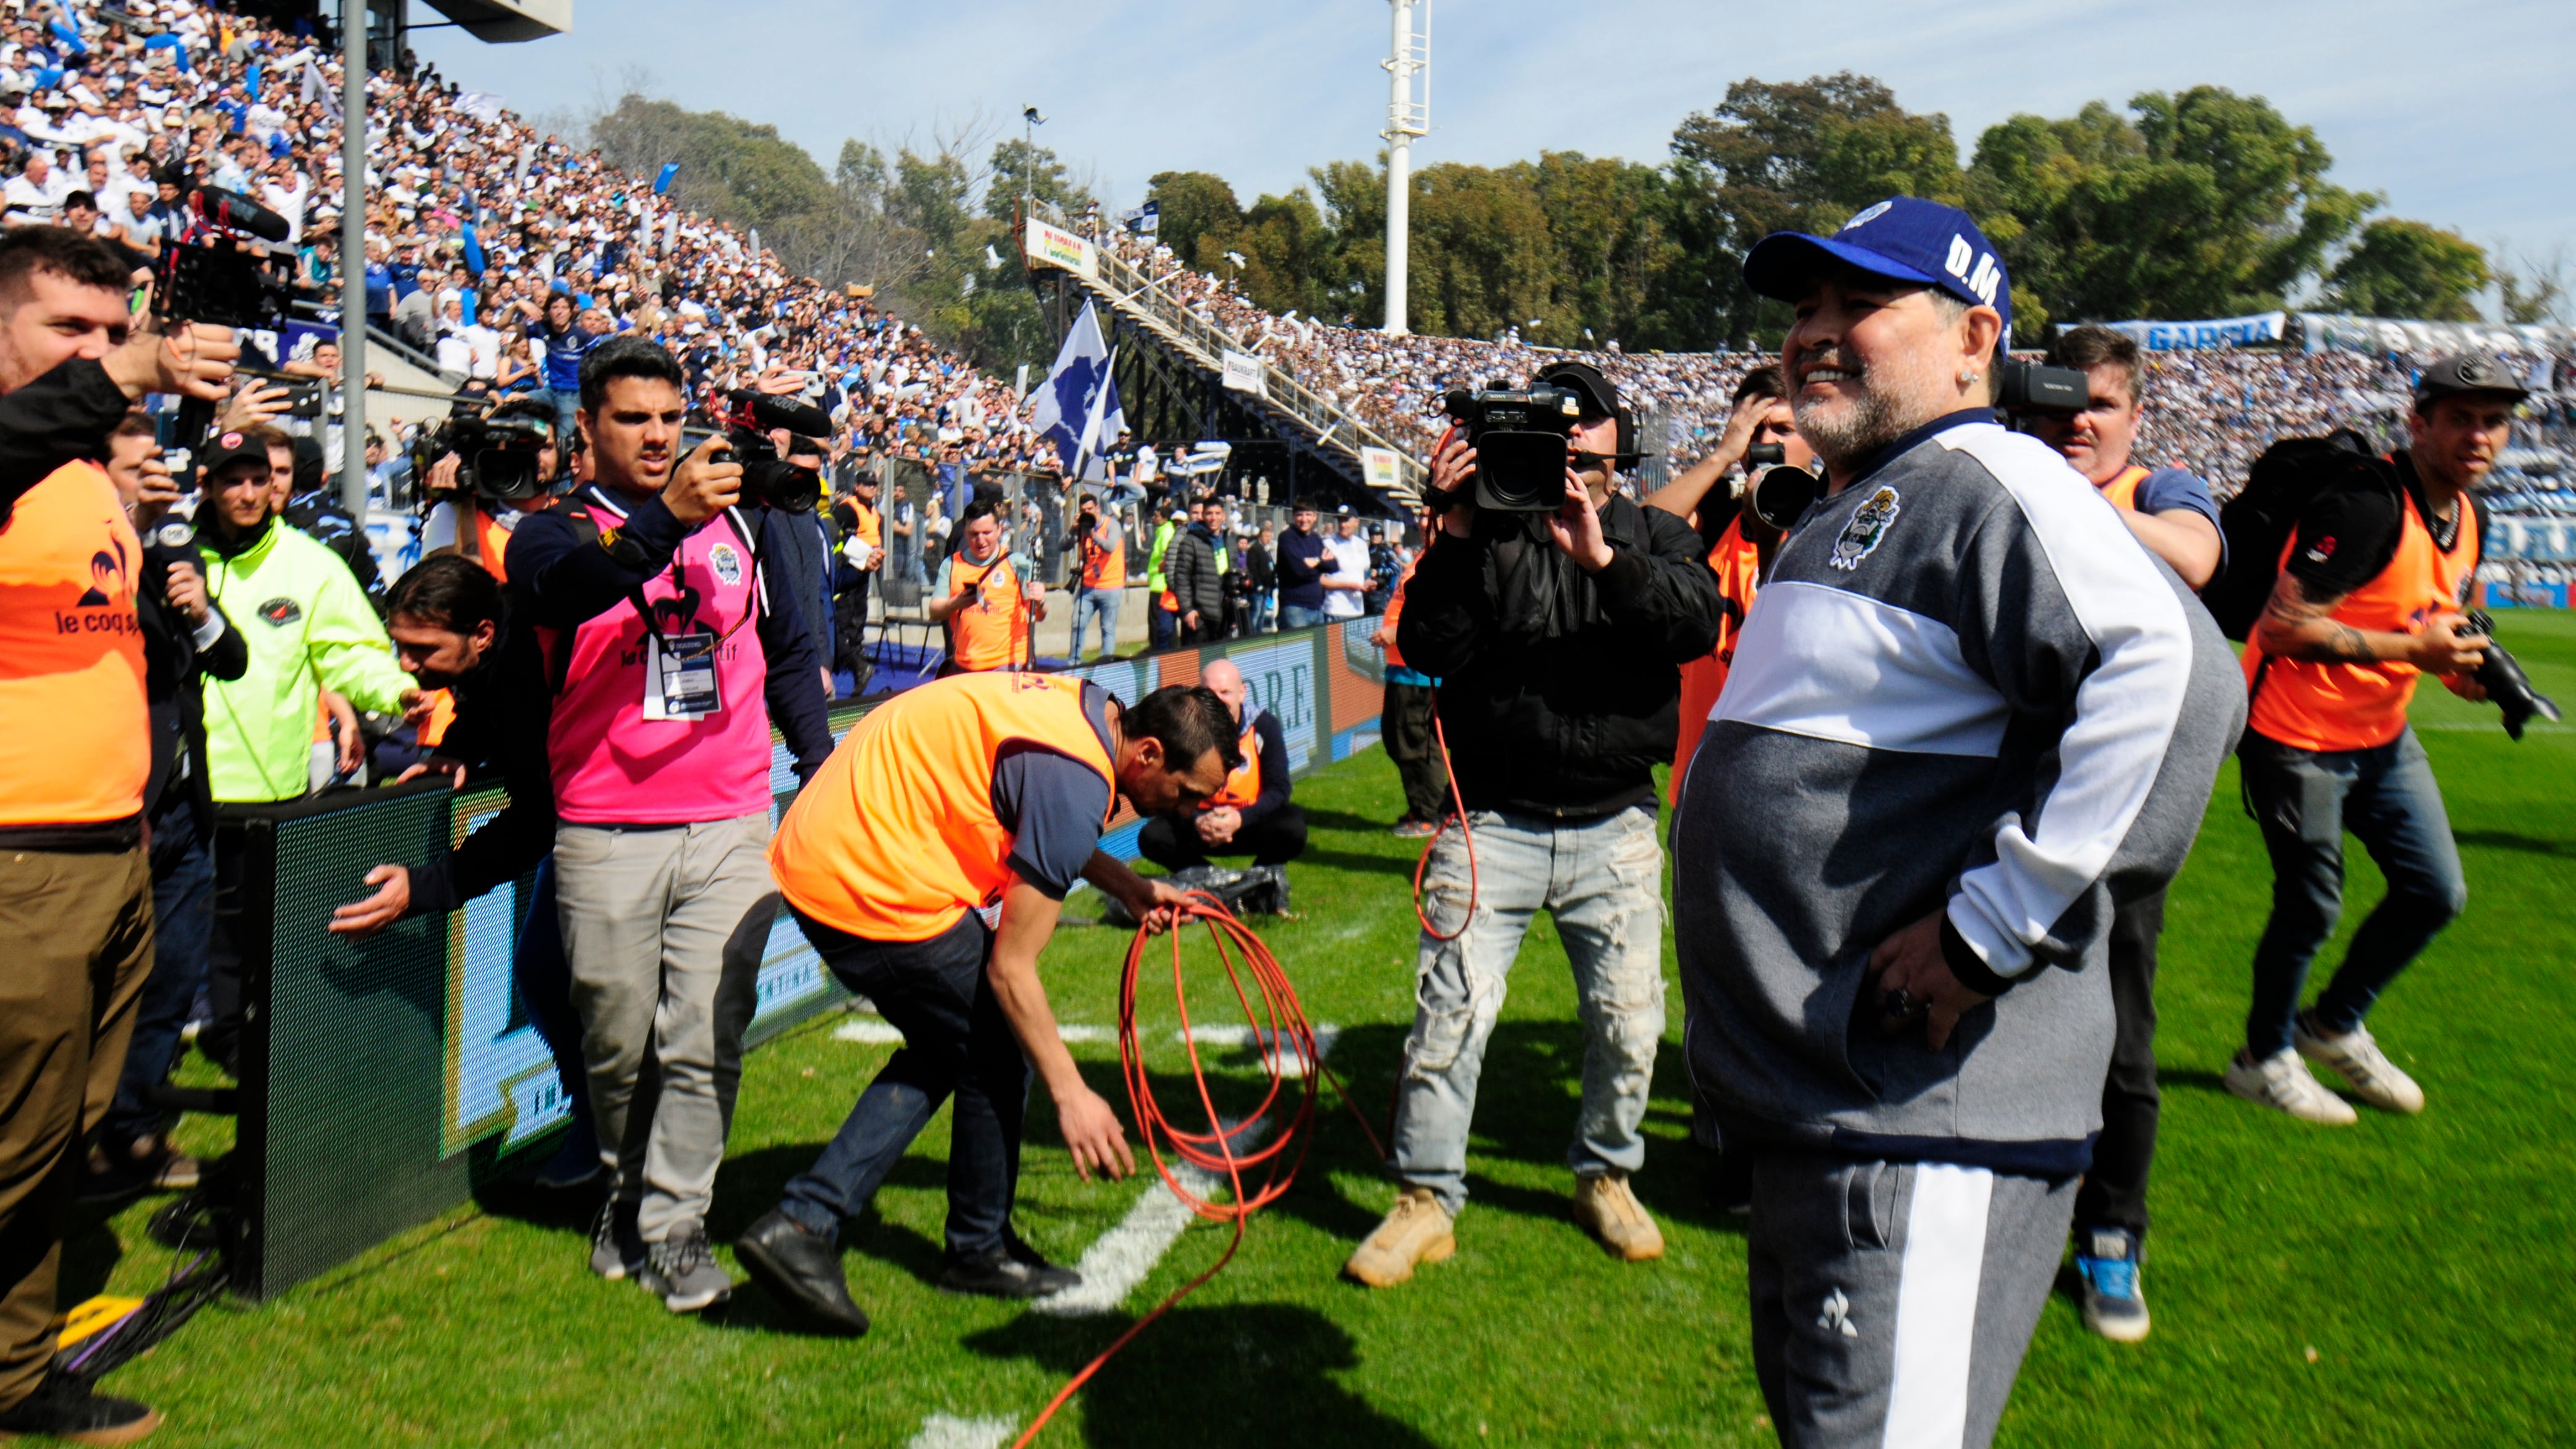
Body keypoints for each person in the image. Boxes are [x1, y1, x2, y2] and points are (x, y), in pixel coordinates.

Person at [1676, 197, 2241, 1449]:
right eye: (1804, 308)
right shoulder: (1866, 495)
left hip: (1921, 1119)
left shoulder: (1988, 478)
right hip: (1829, 1114)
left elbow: (2175, 673)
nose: (1814, 333)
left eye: (1859, 304)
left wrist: (1992, 928)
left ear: (1974, 339)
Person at [1347, 359, 1724, 1288]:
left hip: (1614, 820)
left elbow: (1693, 624)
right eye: (1554, 421)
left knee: (1630, 1022)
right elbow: (1428, 645)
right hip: (1491, 820)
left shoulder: (1655, 532)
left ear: (1617, 440)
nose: (1572, 435)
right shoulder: (1484, 531)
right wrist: (1455, 532)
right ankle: (1424, 1198)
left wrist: (1602, 559)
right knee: (1449, 1017)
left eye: (1587, 419)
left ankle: (1605, 1175)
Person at [736, 676, 1230, 1333]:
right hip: (861, 871)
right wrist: (1072, 1095)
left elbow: (1039, 814)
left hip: (837, 845)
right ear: (1147, 754)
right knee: (998, 1049)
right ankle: (909, 1240)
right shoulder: (1076, 777)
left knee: (958, 1045)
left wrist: (1125, 883)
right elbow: (1011, 970)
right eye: (1188, 792)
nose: (1188, 809)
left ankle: (831, 1222)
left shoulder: (1087, 711)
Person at [505, 335, 833, 1312]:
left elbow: (786, 651)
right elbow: (570, 593)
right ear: (586, 428)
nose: (656, 436)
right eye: (632, 419)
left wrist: (818, 764)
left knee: (702, 1031)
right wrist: (663, 520)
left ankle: (677, 1225)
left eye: (668, 418)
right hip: (605, 822)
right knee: (615, 1041)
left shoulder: (743, 524)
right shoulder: (551, 531)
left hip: (729, 817)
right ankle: (623, 1187)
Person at [0, 223, 236, 1445]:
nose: (96, 351)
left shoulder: (88, 470)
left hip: (107, 850)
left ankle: (16, 1367)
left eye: (111, 328)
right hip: (19, 862)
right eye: (67, 329)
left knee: (50, 1146)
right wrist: (127, 372)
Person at [2226, 354, 2514, 1129]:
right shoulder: (2363, 505)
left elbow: (2432, 622)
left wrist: (2460, 671)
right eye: (2459, 419)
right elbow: (2280, 628)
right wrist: (2415, 652)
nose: (2478, 435)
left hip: (2380, 734)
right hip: (2294, 733)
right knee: (2310, 907)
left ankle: (2332, 1025)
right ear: (2417, 424)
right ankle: (2261, 1060)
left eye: (2492, 422)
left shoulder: (2468, 516)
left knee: (2434, 892)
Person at [2018, 323, 2227, 1342]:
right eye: (2059, 404)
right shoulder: (2003, 479)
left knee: (2121, 1033)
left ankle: (2111, 1231)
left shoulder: (2157, 490)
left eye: (2097, 404)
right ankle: (1996, 1210)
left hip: (2122, 813)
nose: (2077, 423)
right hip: (2002, 795)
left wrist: (2063, 497)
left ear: (2135, 416)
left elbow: (2197, 557)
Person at [323, 555, 600, 1187]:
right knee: (548, 971)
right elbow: (484, 699)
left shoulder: (531, 667)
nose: (405, 665)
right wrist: (453, 749)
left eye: (422, 649)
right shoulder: (502, 647)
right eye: (399, 646)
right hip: (592, 821)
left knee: (568, 977)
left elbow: (537, 818)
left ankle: (611, 1141)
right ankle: (602, 1130)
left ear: (481, 633)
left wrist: (429, 885)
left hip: (629, 825)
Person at [83, 412, 246, 1202]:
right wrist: (133, 532)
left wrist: (200, 607)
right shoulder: (87, 558)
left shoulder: (175, 555)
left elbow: (231, 659)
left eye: (159, 465)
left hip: (184, 806)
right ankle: (75, 1141)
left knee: (172, 976)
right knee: (94, 987)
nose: (157, 477)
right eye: (138, 467)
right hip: (114, 808)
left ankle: (134, 1127)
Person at [1646, 365, 1812, 814]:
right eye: (1752, 429)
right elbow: (1632, 535)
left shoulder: (1831, 510)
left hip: (1789, 768)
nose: (1765, 442)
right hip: (1703, 765)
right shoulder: (1719, 506)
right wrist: (1721, 457)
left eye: (1783, 429)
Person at [1137, 658, 1307, 883]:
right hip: (1200, 825)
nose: (1217, 700)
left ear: (1242, 693)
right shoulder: (1183, 730)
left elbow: (1279, 790)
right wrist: (1196, 820)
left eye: (1225, 692)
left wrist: (1239, 819)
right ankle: (1217, 882)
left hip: (1249, 821)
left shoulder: (1264, 726)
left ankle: (1257, 882)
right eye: (1210, 693)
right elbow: (1170, 790)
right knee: (1152, 836)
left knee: (1293, 827)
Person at [1370, 512, 1447, 837]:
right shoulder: (1426, 554)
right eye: (1422, 515)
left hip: (1419, 669)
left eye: (1433, 515)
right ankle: (1422, 806)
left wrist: (1397, 632)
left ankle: (1431, 813)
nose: (1425, 521)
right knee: (1398, 737)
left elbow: (1441, 615)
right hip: (1402, 666)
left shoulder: (1444, 558)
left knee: (1416, 741)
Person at [929, 500, 1038, 675]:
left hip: (1008, 665)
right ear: (965, 533)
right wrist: (956, 603)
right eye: (974, 534)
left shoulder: (1016, 563)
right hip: (965, 664)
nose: (980, 540)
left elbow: (1038, 614)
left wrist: (1041, 601)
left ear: (999, 530)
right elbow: (934, 612)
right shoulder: (951, 564)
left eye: (987, 533)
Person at [829, 467, 882, 686]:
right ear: (857, 486)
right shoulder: (848, 508)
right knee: (849, 611)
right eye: (867, 484)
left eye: (874, 484)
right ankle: (850, 653)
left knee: (860, 609)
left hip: (866, 567)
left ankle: (857, 650)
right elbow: (835, 533)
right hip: (851, 566)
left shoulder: (873, 509)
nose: (871, 488)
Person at [1065, 489, 1124, 662]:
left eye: (1090, 509)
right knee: (1077, 623)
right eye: (1084, 510)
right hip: (1088, 586)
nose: (1087, 513)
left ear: (1097, 508)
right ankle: (1073, 663)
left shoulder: (1112, 525)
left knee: (1107, 628)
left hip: (1110, 586)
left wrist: (1092, 534)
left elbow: (1110, 547)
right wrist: (1073, 530)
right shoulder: (1082, 528)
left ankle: (1106, 667)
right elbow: (1063, 546)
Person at [1166, 495, 1226, 645]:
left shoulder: (1229, 541)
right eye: (1209, 514)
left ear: (1224, 516)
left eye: (1218, 513)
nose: (1214, 518)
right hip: (1199, 617)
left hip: (1223, 617)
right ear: (1203, 516)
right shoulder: (1191, 540)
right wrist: (1187, 610)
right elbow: (1181, 578)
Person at [1274, 500, 1329, 630]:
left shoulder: (1316, 539)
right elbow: (1300, 570)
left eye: (1308, 515)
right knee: (1298, 644)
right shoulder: (1287, 537)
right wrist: (1320, 565)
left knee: (1320, 645)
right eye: (1300, 515)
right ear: (1294, 516)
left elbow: (1333, 565)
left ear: (1315, 517)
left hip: (1317, 608)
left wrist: (1315, 562)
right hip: (1295, 608)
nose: (1304, 519)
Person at [1320, 507, 1370, 621]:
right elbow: (1321, 580)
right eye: (1340, 520)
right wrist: (1347, 585)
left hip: (1357, 609)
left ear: (1357, 522)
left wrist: (1369, 583)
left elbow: (1364, 572)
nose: (1342, 525)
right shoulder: (1328, 544)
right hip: (1336, 609)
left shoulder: (1361, 544)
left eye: (1346, 520)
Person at [1144, 500, 1179, 649]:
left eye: (1157, 516)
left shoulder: (1166, 532)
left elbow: (1168, 553)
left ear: (1165, 519)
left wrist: (1161, 567)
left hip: (1161, 584)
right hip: (1157, 583)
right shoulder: (1163, 531)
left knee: (1157, 622)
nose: (1154, 518)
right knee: (1162, 622)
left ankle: (1158, 650)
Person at [1243, 521, 1276, 635]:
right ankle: (1251, 634)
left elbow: (1271, 566)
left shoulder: (1266, 550)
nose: (1268, 539)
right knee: (1256, 612)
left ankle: (1259, 633)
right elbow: (1253, 568)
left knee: (1262, 612)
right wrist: (1258, 584)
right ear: (1261, 536)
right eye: (1267, 536)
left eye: (1270, 537)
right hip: (1259, 586)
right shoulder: (1255, 549)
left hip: (1267, 585)